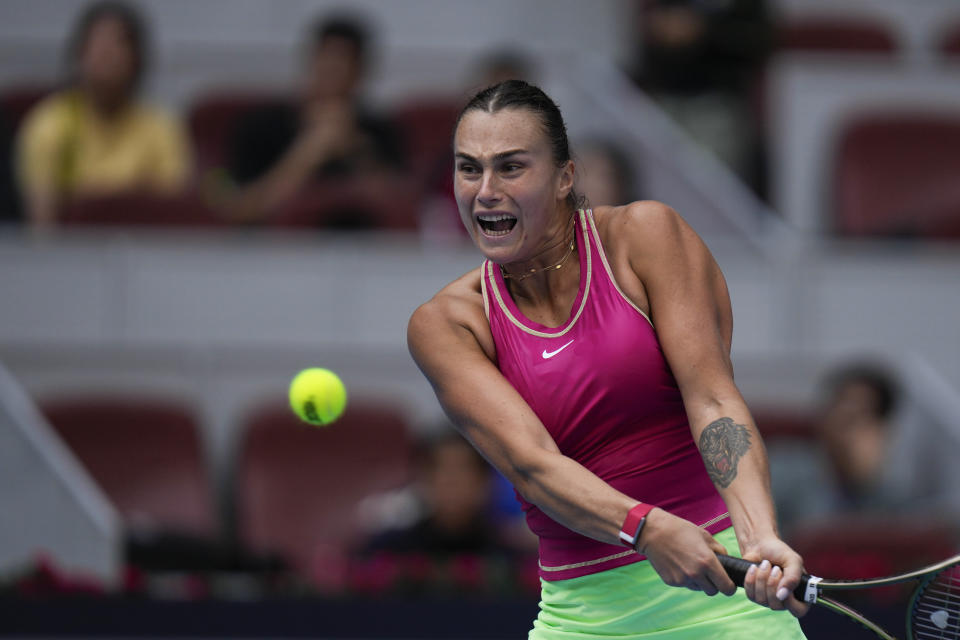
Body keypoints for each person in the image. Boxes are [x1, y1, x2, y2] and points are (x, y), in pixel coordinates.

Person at [407, 80, 808, 638]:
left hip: (725, 599)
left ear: (566, 177)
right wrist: (644, 529)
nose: (485, 190)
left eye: (512, 167)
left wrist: (759, 535)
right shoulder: (449, 324)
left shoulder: (646, 237)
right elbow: (533, 464)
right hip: (581, 617)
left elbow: (713, 399)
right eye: (469, 168)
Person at [16, 1, 190, 228]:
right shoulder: (50, 123)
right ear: (79, 54)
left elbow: (170, 214)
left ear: (137, 58)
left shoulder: (160, 126)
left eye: (118, 44)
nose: (106, 54)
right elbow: (42, 225)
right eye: (97, 43)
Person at [222, 13, 405, 226]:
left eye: (346, 63)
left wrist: (354, 148)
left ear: (361, 72)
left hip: (366, 252)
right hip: (271, 253)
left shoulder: (380, 130)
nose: (335, 73)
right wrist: (308, 151)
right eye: (328, 60)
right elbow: (242, 210)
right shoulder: (261, 126)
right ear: (311, 60)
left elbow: (401, 209)